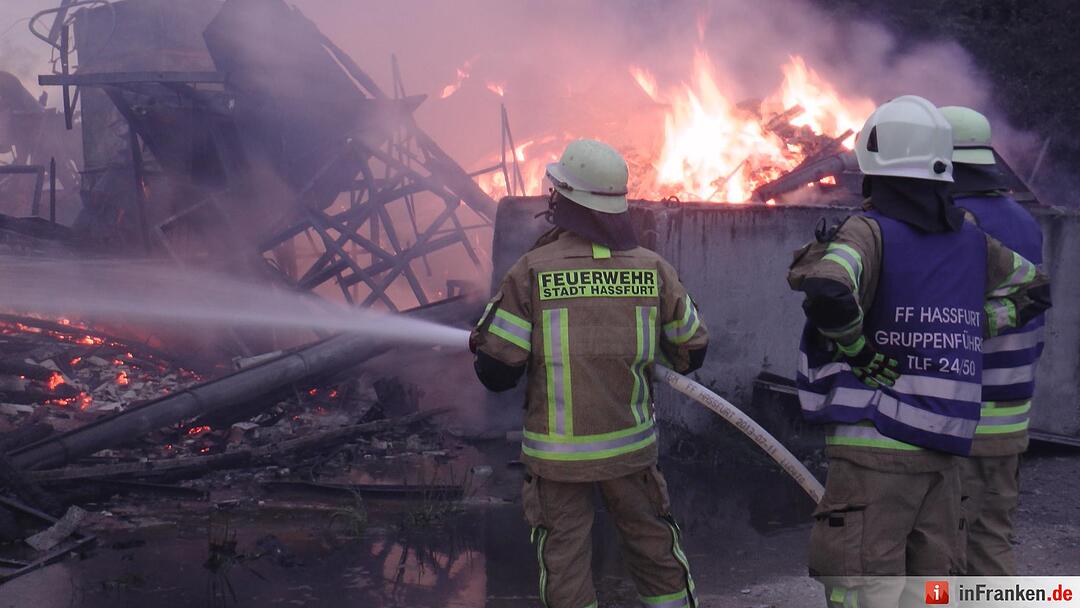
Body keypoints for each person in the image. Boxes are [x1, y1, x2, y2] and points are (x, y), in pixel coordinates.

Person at [787, 95, 1051, 606]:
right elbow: (1035, 289)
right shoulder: (970, 240)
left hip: (875, 445)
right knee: (932, 589)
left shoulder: (869, 230)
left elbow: (827, 289)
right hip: (945, 447)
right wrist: (976, 326)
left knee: (862, 584)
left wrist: (860, 352)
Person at [470, 139, 709, 608]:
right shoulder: (652, 268)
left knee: (565, 562)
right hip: (631, 453)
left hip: (557, 460)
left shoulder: (532, 271)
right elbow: (692, 350)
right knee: (654, 548)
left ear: (564, 200)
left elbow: (498, 371)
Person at [940, 105, 1045, 576]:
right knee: (991, 538)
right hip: (1012, 413)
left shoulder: (955, 224)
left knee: (951, 552)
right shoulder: (1024, 220)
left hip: (967, 416)